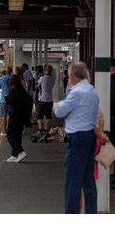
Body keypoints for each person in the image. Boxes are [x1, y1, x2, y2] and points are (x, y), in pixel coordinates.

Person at [54, 61, 107, 214]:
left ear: (71, 76)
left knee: (72, 181)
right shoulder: (92, 91)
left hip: (77, 139)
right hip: (90, 138)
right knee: (88, 180)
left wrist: (66, 108)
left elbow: (59, 111)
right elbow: (94, 117)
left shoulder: (77, 93)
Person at [5, 74, 28, 163]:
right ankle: (15, 155)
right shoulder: (22, 91)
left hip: (14, 115)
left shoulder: (13, 91)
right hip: (21, 115)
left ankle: (20, 151)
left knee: (10, 134)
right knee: (17, 134)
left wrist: (7, 97)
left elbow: (12, 104)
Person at [32, 65, 56, 139]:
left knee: (39, 115)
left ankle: (40, 130)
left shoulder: (42, 78)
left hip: (42, 99)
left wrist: (36, 86)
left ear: (45, 70)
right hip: (50, 100)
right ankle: (47, 130)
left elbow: (37, 86)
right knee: (48, 115)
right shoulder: (53, 78)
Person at [0, 67, 12, 137]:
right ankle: (9, 129)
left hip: (4, 99)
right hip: (12, 99)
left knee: (4, 115)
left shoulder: (1, 79)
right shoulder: (14, 78)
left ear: (6, 72)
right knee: (9, 115)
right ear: (11, 71)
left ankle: (4, 131)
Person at [21, 63, 34, 128]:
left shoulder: (27, 72)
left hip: (28, 93)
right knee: (28, 108)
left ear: (25, 67)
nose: (21, 67)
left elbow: (28, 82)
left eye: (22, 66)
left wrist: (27, 91)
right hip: (29, 93)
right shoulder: (27, 72)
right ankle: (27, 122)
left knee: (28, 108)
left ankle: (28, 123)